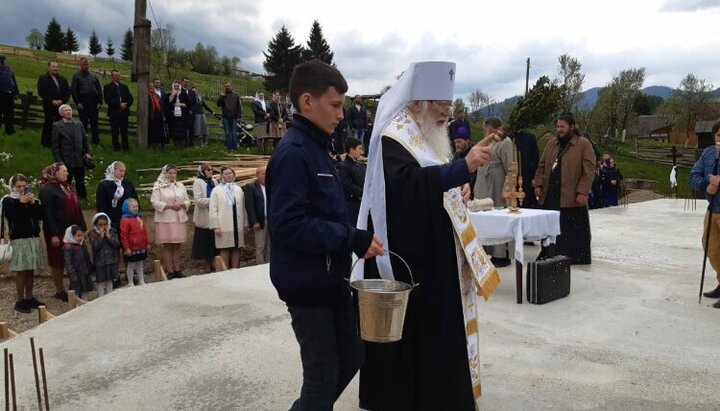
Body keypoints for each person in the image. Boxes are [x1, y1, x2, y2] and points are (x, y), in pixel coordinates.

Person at [356, 61, 493, 410]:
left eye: (449, 105)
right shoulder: (394, 136)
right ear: (416, 104)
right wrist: (462, 167)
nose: (446, 113)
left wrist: (459, 185)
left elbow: (436, 180)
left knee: (438, 338)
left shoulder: (425, 135)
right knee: (416, 341)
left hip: (434, 255)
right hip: (408, 259)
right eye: (439, 105)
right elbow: (407, 190)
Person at [266, 59, 384, 410]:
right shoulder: (293, 154)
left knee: (351, 356)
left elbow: (325, 212)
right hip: (306, 284)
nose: (340, 115)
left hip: (331, 278)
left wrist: (357, 236)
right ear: (307, 102)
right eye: (334, 105)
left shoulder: (318, 149)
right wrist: (350, 238)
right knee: (321, 375)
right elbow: (288, 225)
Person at [533, 112, 595, 265]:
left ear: (572, 127)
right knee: (551, 226)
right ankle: (549, 253)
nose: (559, 129)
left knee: (571, 228)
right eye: (557, 126)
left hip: (571, 195)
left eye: (562, 126)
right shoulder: (551, 144)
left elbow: (589, 170)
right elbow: (541, 166)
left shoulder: (583, 144)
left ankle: (573, 256)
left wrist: (582, 191)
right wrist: (539, 184)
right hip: (551, 193)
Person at [40, 163, 86, 302]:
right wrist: (53, 234)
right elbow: (47, 214)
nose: (67, 173)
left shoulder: (67, 187)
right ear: (55, 172)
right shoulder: (47, 189)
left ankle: (78, 286)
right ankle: (59, 290)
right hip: (57, 231)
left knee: (75, 257)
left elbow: (77, 207)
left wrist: (82, 227)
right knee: (57, 261)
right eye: (64, 171)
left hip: (72, 230)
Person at [1, 174, 46, 313]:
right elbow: (13, 217)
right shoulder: (8, 201)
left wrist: (32, 204)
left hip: (32, 237)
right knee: (21, 270)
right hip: (19, 239)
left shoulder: (32, 199)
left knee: (30, 269)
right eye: (18, 186)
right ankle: (20, 301)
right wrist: (21, 203)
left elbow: (40, 215)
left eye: (23, 186)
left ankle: (29, 297)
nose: (21, 189)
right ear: (12, 186)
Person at [474, 116, 513, 267]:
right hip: (483, 180)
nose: (486, 132)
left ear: (493, 129)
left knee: (498, 216)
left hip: (497, 182)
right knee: (483, 216)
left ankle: (500, 254)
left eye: (487, 130)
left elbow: (510, 167)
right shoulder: (487, 142)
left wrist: (506, 189)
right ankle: (485, 251)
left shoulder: (505, 142)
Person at [690, 120, 720, 308]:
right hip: (713, 210)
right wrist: (705, 186)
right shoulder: (708, 153)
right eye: (719, 135)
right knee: (711, 247)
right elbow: (693, 175)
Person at [151, 164, 190, 279]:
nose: (172, 175)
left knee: (177, 246)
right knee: (168, 245)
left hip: (178, 218)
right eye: (170, 173)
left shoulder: (180, 185)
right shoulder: (158, 186)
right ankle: (170, 270)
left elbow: (188, 200)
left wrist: (183, 204)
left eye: (174, 173)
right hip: (165, 219)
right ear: (165, 173)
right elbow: (155, 201)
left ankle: (178, 269)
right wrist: (169, 206)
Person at [209, 166, 247, 269]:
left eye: (230, 173)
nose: (228, 175)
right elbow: (213, 209)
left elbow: (243, 207)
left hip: (237, 222)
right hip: (224, 224)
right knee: (224, 248)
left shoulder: (238, 189)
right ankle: (224, 270)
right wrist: (215, 225)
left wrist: (245, 223)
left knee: (236, 247)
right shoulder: (216, 190)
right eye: (225, 173)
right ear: (222, 176)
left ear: (233, 175)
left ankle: (235, 269)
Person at [51, 104, 92, 199]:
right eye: (66, 110)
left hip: (79, 158)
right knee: (66, 181)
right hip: (66, 159)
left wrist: (89, 153)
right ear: (61, 113)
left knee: (80, 180)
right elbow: (55, 145)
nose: (69, 112)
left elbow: (85, 140)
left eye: (69, 110)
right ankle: (66, 199)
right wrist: (59, 161)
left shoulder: (79, 124)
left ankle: (82, 199)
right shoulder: (57, 126)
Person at [37, 61, 70, 148]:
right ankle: (46, 143)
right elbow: (41, 92)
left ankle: (58, 143)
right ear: (49, 67)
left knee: (60, 124)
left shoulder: (63, 79)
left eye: (56, 66)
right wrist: (51, 100)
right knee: (48, 123)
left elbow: (67, 92)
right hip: (49, 105)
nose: (55, 68)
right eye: (53, 66)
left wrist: (62, 101)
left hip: (60, 106)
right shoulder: (43, 78)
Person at [192, 163, 218, 272]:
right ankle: (206, 266)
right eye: (208, 169)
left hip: (214, 215)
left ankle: (215, 264)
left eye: (212, 169)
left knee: (214, 242)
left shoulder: (215, 181)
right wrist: (214, 201)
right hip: (203, 216)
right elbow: (198, 200)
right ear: (202, 171)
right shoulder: (198, 182)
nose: (210, 171)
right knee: (205, 242)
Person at [71, 57, 103, 144]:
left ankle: (96, 141)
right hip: (83, 101)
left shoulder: (94, 76)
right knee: (83, 122)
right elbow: (73, 90)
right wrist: (78, 103)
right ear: (80, 65)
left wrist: (100, 102)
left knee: (94, 122)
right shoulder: (76, 75)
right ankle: (83, 142)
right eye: (84, 64)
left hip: (93, 101)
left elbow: (99, 89)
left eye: (87, 64)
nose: (86, 66)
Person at [87, 213, 120, 296]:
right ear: (95, 224)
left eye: (105, 224)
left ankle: (110, 296)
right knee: (101, 282)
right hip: (100, 262)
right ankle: (101, 298)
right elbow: (95, 246)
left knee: (110, 280)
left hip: (111, 260)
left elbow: (116, 244)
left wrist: (108, 236)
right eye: (100, 225)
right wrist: (101, 237)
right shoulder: (92, 233)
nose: (103, 227)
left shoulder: (112, 231)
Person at [120, 198, 149, 286]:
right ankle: (130, 282)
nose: (136, 208)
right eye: (133, 206)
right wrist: (126, 247)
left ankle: (141, 280)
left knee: (140, 264)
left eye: (136, 206)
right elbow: (123, 235)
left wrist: (147, 243)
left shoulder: (139, 218)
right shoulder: (125, 220)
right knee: (131, 265)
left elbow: (144, 232)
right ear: (126, 208)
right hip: (132, 247)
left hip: (141, 246)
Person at [337, 137, 366, 225]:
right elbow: (348, 186)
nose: (361, 152)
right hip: (352, 204)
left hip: (362, 202)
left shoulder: (360, 164)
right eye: (359, 149)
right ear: (351, 150)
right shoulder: (344, 166)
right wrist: (364, 192)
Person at [103, 70, 134, 151]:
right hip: (114, 113)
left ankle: (126, 147)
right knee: (115, 131)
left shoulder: (124, 87)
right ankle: (116, 147)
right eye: (115, 75)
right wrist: (119, 104)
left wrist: (126, 104)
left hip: (124, 113)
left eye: (118, 75)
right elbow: (108, 99)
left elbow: (130, 98)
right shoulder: (107, 87)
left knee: (124, 131)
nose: (117, 77)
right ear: (112, 76)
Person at [244, 165, 269, 264]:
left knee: (270, 246)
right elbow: (250, 206)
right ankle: (260, 266)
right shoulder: (251, 187)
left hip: (271, 220)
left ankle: (269, 264)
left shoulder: (271, 185)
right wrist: (254, 221)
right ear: (257, 175)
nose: (266, 176)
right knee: (260, 246)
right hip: (260, 220)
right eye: (263, 174)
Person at [62, 225, 93, 300]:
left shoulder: (82, 245)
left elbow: (86, 258)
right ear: (71, 235)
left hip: (84, 272)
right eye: (78, 235)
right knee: (76, 291)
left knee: (85, 290)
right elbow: (68, 262)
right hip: (76, 274)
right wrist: (72, 274)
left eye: (81, 235)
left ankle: (85, 304)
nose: (80, 237)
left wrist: (90, 268)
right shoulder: (68, 247)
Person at [511, 129, 540, 209]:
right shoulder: (508, 138)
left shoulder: (530, 138)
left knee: (526, 202)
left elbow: (536, 159)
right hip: (511, 177)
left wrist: (535, 177)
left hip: (527, 175)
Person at [165, 81, 191, 148]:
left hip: (182, 117)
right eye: (175, 86)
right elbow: (168, 104)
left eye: (177, 86)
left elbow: (188, 104)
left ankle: (182, 145)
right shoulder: (169, 95)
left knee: (182, 132)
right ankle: (173, 145)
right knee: (174, 131)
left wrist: (180, 104)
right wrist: (173, 95)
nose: (176, 87)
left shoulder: (184, 94)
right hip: (173, 117)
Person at [217, 81, 242, 150]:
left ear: (231, 87)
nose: (227, 87)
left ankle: (234, 148)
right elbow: (218, 104)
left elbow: (238, 107)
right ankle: (228, 147)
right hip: (225, 117)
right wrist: (221, 97)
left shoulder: (236, 95)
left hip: (234, 117)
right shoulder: (223, 95)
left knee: (234, 133)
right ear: (224, 87)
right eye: (226, 86)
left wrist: (239, 116)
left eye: (229, 86)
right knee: (227, 133)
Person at [0, 55, 19, 135]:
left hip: (9, 95)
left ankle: (9, 131)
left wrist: (16, 92)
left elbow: (13, 81)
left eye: (1, 62)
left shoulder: (8, 69)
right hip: (0, 94)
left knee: (9, 114)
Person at [148, 82, 166, 149]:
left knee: (158, 130)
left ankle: (158, 144)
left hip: (158, 115)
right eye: (150, 86)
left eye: (152, 86)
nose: (151, 88)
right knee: (151, 130)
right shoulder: (147, 95)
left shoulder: (156, 95)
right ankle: (151, 144)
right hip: (151, 115)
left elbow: (160, 105)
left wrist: (163, 115)